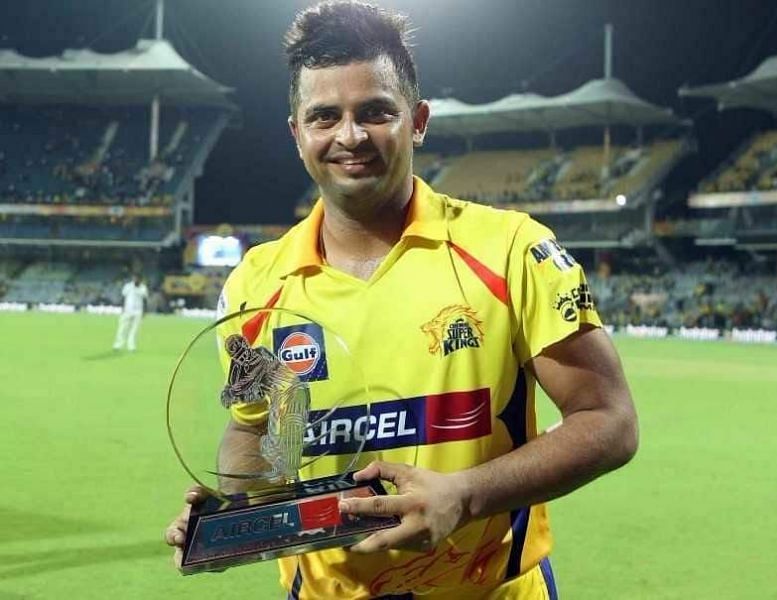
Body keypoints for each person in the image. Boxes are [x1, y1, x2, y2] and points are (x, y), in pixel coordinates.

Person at [164, 2, 638, 598]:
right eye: (324, 116)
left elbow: (609, 420)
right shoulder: (257, 283)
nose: (350, 136)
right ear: (297, 133)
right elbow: (255, 433)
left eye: (375, 112)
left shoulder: (512, 249)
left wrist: (465, 497)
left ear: (417, 121)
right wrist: (236, 512)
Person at [112, 274, 147, 351]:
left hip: (138, 311)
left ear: (140, 280)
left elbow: (145, 300)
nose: (135, 280)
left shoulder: (143, 288)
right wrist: (122, 308)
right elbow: (123, 297)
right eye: (134, 278)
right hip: (127, 310)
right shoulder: (128, 286)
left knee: (134, 330)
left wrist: (144, 311)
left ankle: (131, 346)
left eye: (137, 279)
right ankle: (118, 345)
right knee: (122, 328)